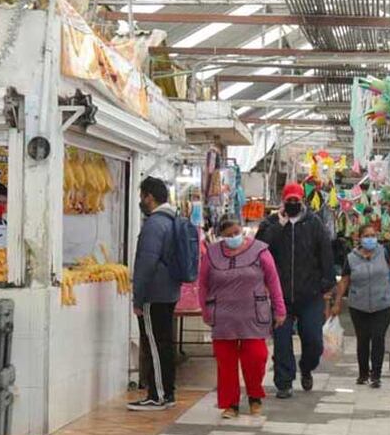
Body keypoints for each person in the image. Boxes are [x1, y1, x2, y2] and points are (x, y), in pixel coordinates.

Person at [198, 219, 286, 419]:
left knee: (256, 356)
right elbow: (203, 284)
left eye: (236, 232)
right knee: (225, 362)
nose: (233, 237)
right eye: (228, 235)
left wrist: (280, 309)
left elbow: (273, 280)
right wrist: (204, 309)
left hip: (253, 314)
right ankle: (231, 404)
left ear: (243, 231)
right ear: (221, 236)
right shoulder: (211, 253)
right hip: (222, 315)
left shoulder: (260, 251)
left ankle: (255, 396)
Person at [256, 182, 335, 399]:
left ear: (302, 201)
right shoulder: (271, 223)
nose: (292, 204)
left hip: (310, 294)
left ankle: (307, 367)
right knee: (281, 342)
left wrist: (326, 285)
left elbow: (326, 255)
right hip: (279, 296)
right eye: (288, 200)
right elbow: (259, 248)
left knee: (313, 340)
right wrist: (278, 225)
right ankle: (284, 382)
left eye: (296, 200)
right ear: (283, 201)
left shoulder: (314, 224)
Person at [129, 176, 183, 412]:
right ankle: (166, 392)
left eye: (142, 196)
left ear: (149, 197)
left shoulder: (154, 224)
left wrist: (138, 297)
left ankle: (158, 394)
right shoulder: (173, 220)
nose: (141, 201)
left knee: (154, 344)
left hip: (154, 293)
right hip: (170, 290)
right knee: (164, 343)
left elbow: (146, 263)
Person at [332, 225, 390, 388]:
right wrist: (337, 302)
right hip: (358, 305)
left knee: (378, 336)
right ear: (359, 238)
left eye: (373, 235)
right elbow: (345, 280)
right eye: (367, 236)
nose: (370, 239)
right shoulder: (351, 258)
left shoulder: (384, 250)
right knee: (363, 339)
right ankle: (363, 374)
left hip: (382, 303)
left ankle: (376, 375)